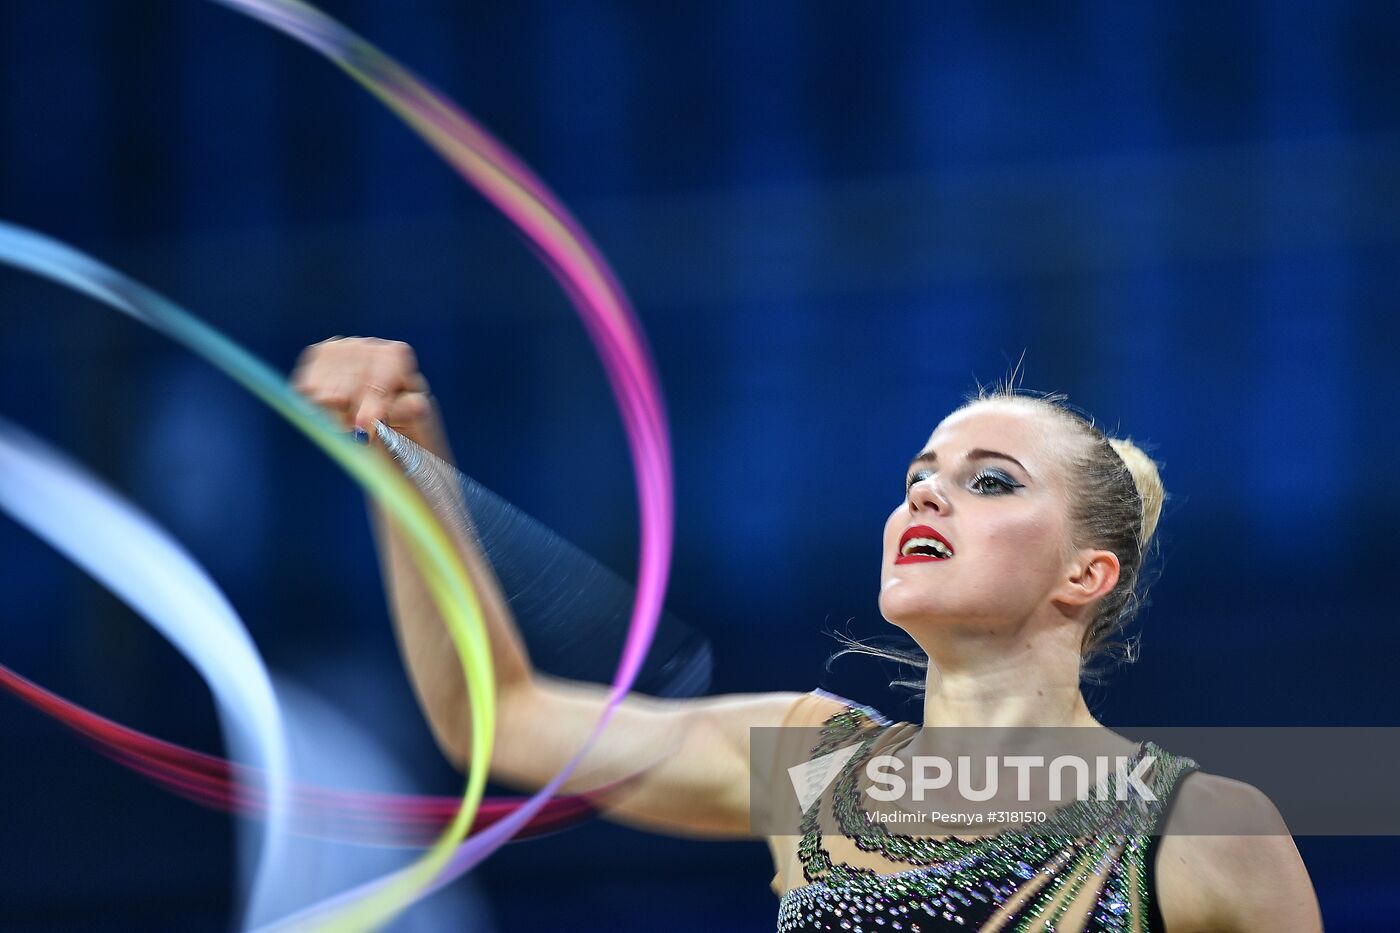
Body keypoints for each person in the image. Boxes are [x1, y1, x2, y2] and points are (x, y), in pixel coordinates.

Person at [292, 336, 1323, 932]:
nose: (927, 498)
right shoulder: (809, 763)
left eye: (987, 482)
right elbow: (496, 720)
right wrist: (404, 465)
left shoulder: (1202, 831)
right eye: (916, 479)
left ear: (1083, 574)